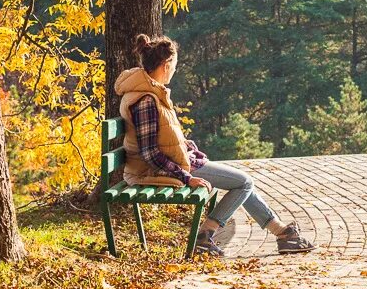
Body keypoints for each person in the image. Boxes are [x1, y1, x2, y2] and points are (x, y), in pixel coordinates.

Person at [115, 33, 316, 257]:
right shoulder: (146, 100)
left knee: (242, 181)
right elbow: (150, 153)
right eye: (174, 66)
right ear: (166, 65)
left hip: (175, 161)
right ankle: (206, 235)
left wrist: (183, 143)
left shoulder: (149, 92)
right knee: (244, 183)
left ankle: (282, 233)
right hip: (158, 170)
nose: (175, 71)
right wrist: (186, 177)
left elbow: (158, 137)